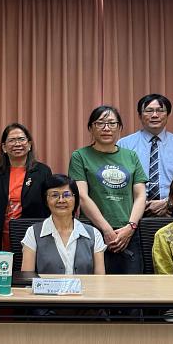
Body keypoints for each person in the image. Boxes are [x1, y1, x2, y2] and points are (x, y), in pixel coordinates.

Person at [69, 106, 147, 274]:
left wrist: (130, 227)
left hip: (128, 231)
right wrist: (106, 229)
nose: (106, 128)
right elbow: (82, 196)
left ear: (119, 128)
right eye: (100, 123)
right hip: (93, 230)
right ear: (91, 128)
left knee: (132, 285)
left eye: (112, 123)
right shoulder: (80, 156)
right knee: (94, 284)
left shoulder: (131, 156)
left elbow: (141, 195)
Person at [117, 94, 173, 217]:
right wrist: (141, 203)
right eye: (149, 111)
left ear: (168, 114)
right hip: (132, 213)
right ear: (139, 115)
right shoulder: (124, 144)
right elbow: (117, 182)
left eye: (160, 110)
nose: (155, 115)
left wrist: (168, 203)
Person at [0, 123, 52, 253]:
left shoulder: (42, 171)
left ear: (29, 144)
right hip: (0, 236)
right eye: (12, 140)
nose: (17, 144)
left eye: (21, 139)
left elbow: (48, 206)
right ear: (4, 147)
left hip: (32, 235)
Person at [20, 174, 106, 274]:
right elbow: (27, 278)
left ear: (75, 199)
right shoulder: (33, 233)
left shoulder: (94, 234)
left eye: (67, 195)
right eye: (54, 195)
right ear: (46, 200)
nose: (61, 200)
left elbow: (100, 279)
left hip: (85, 285)